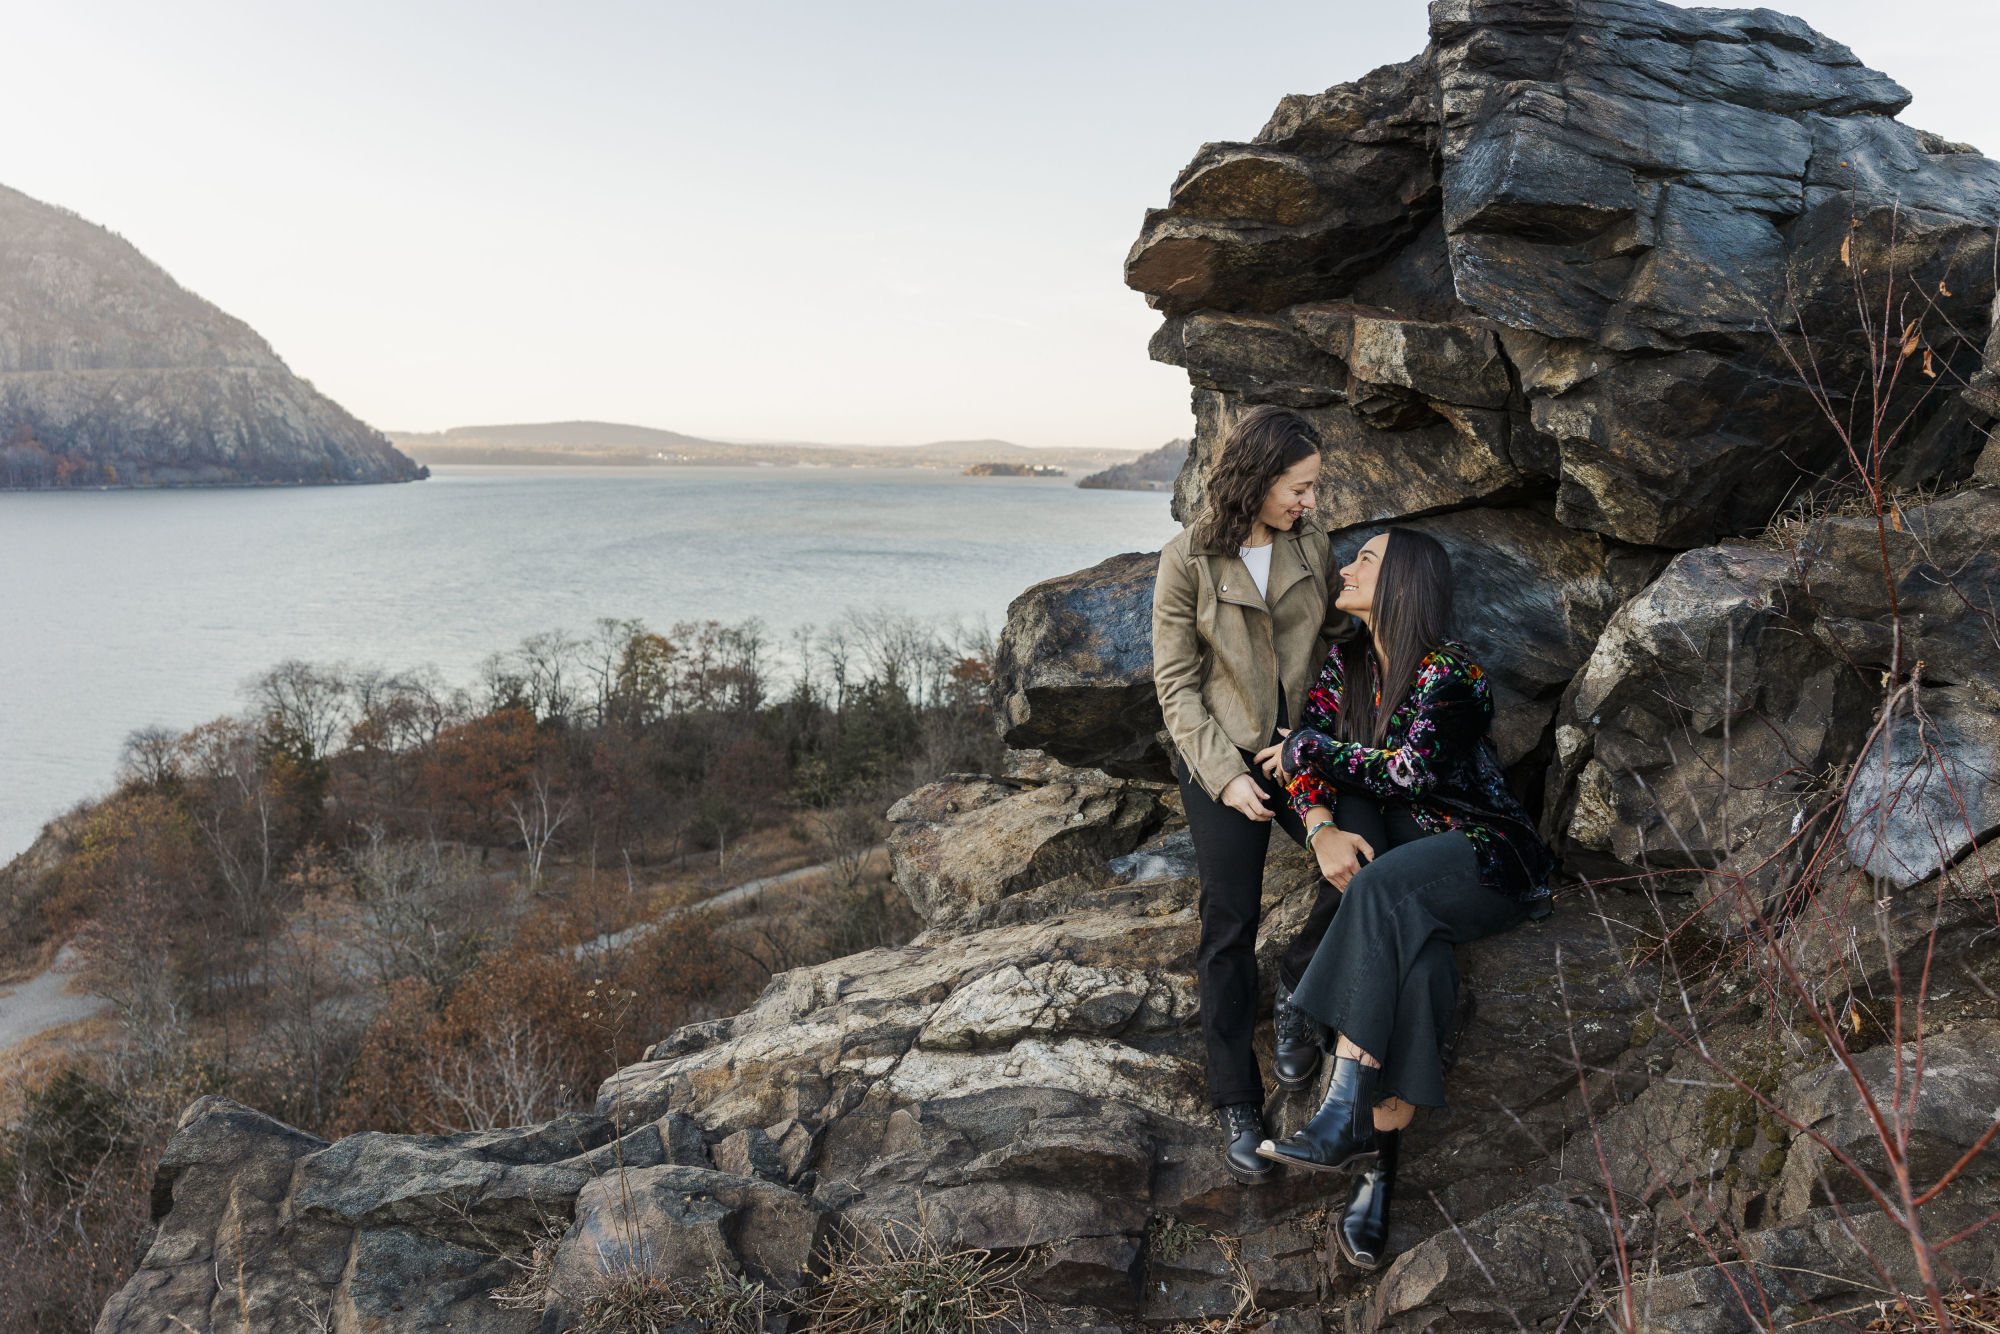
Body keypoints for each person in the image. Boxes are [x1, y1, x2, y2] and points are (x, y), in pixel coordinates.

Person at [1251, 527, 1553, 1271]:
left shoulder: (1453, 678)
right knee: (1418, 969)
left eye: (1366, 560)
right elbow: (1309, 771)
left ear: (1405, 584)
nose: (1346, 568)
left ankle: (1325, 1061)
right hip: (1411, 877)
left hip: (1484, 856)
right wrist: (1317, 807)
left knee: (1381, 881)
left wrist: (1305, 748)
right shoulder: (1343, 666)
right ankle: (1379, 1169)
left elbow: (1409, 772)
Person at [1150, 405, 1366, 1186]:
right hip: (1224, 757)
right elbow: (1176, 687)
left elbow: (1339, 640)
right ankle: (1237, 1098)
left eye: (1313, 488)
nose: (1310, 502)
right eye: (1298, 487)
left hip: (1303, 748)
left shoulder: (1312, 544)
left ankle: (1302, 992)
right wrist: (1227, 777)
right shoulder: (1186, 561)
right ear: (1258, 478)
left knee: (1364, 862)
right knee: (1228, 921)